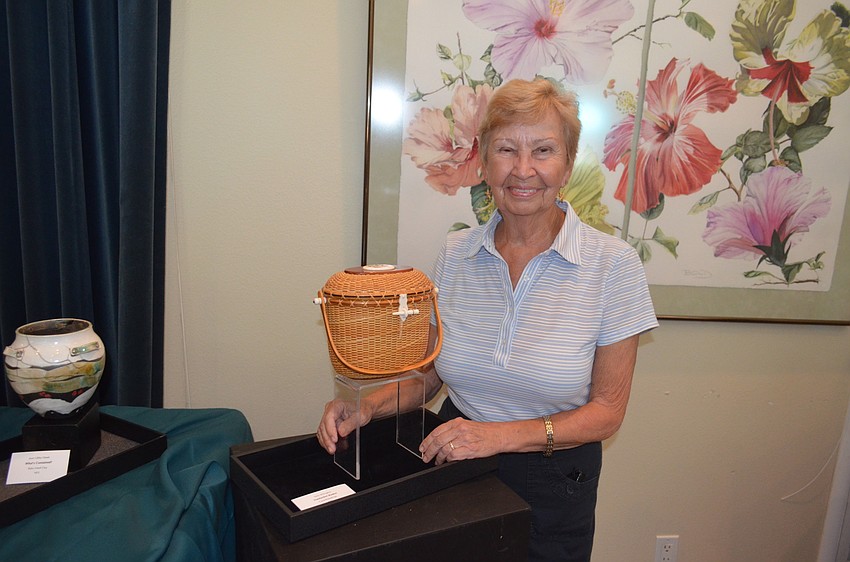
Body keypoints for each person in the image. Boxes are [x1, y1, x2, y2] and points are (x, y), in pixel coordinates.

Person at [317, 78, 658, 562]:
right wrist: (367, 407)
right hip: (453, 460)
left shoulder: (614, 266)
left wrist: (497, 436)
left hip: (554, 477)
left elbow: (607, 411)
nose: (523, 169)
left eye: (543, 150)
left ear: (567, 162)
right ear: (483, 160)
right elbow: (429, 374)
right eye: (505, 149)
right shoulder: (456, 254)